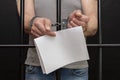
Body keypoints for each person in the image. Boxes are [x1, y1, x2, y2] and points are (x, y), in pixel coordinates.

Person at [17, 0, 97, 80]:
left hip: (74, 64)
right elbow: (26, 21)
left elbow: (92, 27)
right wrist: (34, 22)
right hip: (38, 64)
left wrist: (78, 24)